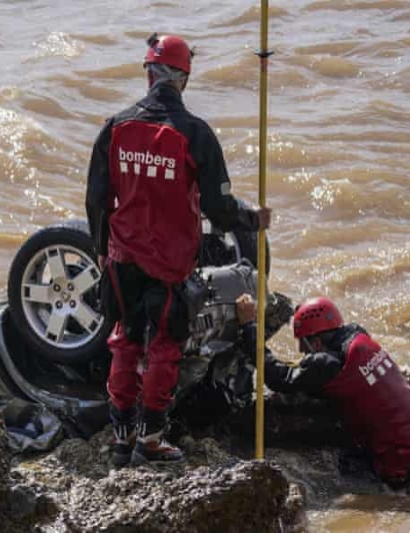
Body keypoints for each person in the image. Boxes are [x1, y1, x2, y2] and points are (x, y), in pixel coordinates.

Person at [85, 33, 272, 467]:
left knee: (125, 341)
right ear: (183, 80)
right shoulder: (195, 134)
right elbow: (219, 209)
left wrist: (100, 250)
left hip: (122, 255)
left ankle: (121, 438)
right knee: (166, 346)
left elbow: (96, 200)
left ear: (149, 74)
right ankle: (151, 440)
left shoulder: (115, 127)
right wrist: (253, 220)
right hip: (170, 263)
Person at [236, 294, 410, 496]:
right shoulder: (359, 338)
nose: (304, 354)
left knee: (343, 471)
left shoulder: (327, 364)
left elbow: (277, 377)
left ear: (315, 343)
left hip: (402, 465)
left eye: (304, 347)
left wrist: (249, 327)